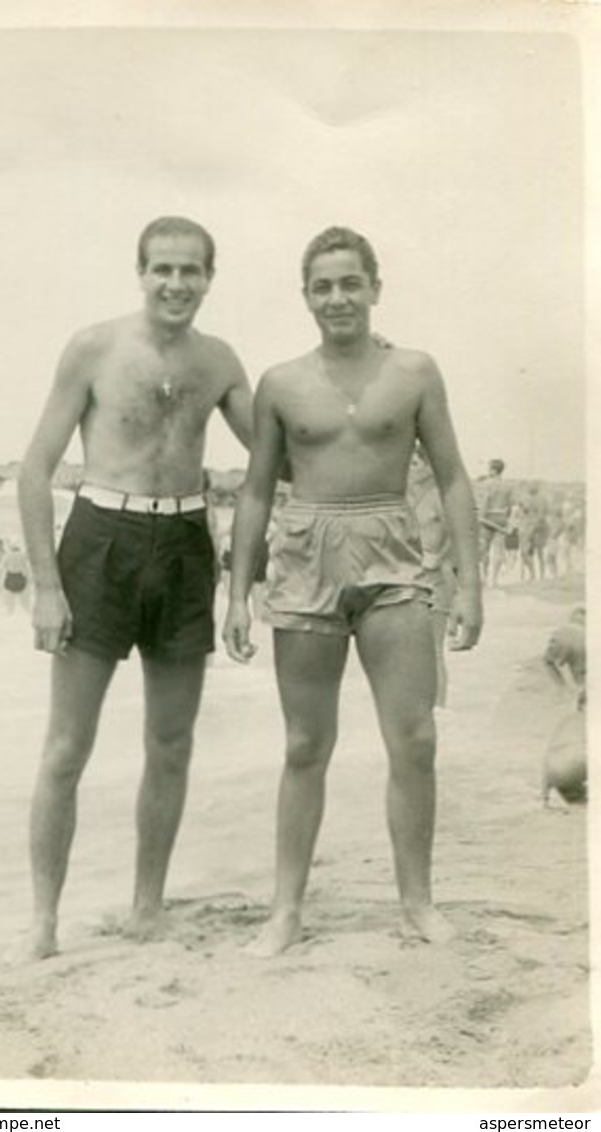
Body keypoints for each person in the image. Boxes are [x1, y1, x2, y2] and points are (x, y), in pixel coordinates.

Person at [224, 226, 482, 955]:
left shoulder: (415, 372)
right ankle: (286, 911)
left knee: (416, 740)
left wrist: (469, 585)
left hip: (394, 554)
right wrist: (236, 594)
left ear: (375, 287)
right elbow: (252, 494)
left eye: (350, 283)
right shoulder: (280, 383)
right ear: (306, 296)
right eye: (322, 286)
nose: (337, 297)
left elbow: (455, 476)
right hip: (305, 556)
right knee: (306, 742)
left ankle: (418, 904)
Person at [17, 216, 253, 959]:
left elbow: (275, 449)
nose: (176, 283)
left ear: (211, 278)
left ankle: (147, 906)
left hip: (184, 544)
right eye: (163, 269)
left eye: (191, 271)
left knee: (172, 743)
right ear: (140, 272)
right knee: (65, 748)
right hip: (100, 540)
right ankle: (43, 924)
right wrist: (48, 588)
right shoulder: (94, 347)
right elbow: (34, 471)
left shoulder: (220, 362)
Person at [407, 444, 458, 709]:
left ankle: (439, 708)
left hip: (435, 577)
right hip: (409, 579)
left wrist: (438, 556)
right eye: (410, 464)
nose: (412, 469)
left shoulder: (439, 495)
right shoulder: (407, 495)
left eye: (417, 464)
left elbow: (457, 533)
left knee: (433, 650)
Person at [477, 459, 512, 587]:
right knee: (498, 550)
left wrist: (480, 516)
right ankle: (494, 580)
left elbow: (485, 501)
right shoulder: (507, 486)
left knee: (484, 549)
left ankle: (485, 577)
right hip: (501, 517)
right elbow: (509, 506)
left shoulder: (486, 484)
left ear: (493, 470)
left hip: (488, 517)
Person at [0, 540, 32, 613]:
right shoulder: (23, 555)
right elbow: (27, 568)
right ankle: (27, 611)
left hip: (10, 577)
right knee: (24, 600)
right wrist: (29, 579)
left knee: (10, 599)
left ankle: (10, 612)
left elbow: (1, 569)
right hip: (20, 577)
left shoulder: (7, 556)